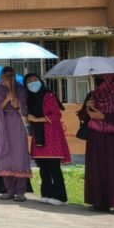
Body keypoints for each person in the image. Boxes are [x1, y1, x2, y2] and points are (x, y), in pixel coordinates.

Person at [79, 74, 114, 213]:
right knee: (98, 167)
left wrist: (103, 116)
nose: (100, 83)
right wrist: (88, 108)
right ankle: (100, 202)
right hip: (97, 138)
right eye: (98, 80)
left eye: (102, 79)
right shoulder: (93, 95)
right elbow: (83, 116)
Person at [24, 73, 71, 206]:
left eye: (35, 80)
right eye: (29, 82)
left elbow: (56, 115)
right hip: (39, 136)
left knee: (53, 167)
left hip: (51, 136)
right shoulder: (30, 99)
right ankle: (46, 194)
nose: (32, 83)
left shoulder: (48, 95)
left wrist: (36, 119)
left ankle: (60, 197)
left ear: (40, 81)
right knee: (43, 168)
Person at [0, 67, 31, 202]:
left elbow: (22, 108)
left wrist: (13, 94)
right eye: (6, 75)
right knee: (5, 157)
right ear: (2, 77)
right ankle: (9, 190)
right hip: (2, 127)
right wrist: (6, 99)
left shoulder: (21, 89)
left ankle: (20, 192)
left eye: (12, 75)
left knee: (19, 156)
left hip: (17, 126)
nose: (9, 77)